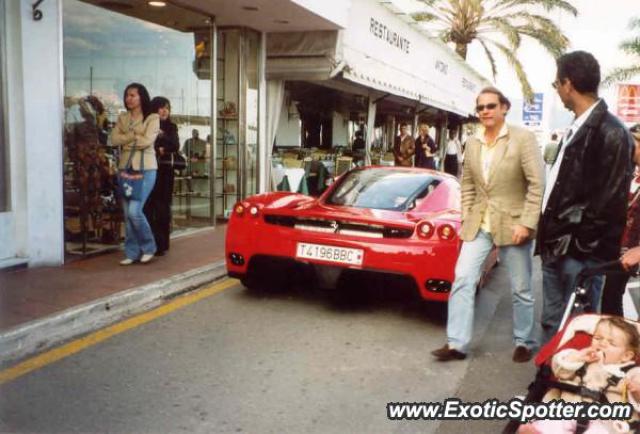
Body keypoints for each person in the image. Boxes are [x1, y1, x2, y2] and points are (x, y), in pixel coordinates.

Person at [431, 86, 544, 363]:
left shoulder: (523, 138)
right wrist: (466, 216)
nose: (485, 112)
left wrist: (527, 223)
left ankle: (524, 341)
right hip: (479, 224)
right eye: (480, 108)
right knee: (463, 279)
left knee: (520, 287)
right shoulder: (473, 141)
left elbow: (537, 183)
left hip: (513, 224)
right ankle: (456, 343)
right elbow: (467, 183)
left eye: (490, 106)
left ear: (504, 107)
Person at [537, 51, 635, 343]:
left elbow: (611, 201)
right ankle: (549, 376)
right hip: (556, 243)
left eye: (557, 84)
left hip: (577, 252)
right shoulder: (577, 126)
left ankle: (569, 384)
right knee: (553, 320)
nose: (557, 91)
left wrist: (580, 248)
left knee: (579, 327)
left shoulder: (612, 132)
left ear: (568, 84)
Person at [518, 317, 640, 434]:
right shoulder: (581, 358)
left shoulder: (631, 372)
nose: (602, 344)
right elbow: (559, 370)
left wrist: (636, 391)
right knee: (553, 422)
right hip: (568, 408)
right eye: (598, 338)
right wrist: (576, 358)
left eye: (611, 343)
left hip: (604, 419)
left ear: (626, 356)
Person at [110, 83, 160, 265]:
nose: (128, 99)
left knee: (135, 211)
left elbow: (147, 141)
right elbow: (113, 139)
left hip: (146, 169)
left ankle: (148, 247)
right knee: (127, 213)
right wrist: (133, 136)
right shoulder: (123, 117)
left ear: (142, 97)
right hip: (125, 169)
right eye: (127, 95)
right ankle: (131, 253)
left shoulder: (152, 117)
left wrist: (127, 138)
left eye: (132, 95)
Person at [601, 124, 640, 315]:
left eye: (632, 144)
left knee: (612, 298)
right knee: (611, 298)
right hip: (621, 249)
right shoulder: (632, 173)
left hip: (633, 251)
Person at [143, 97, 179, 257]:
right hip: (149, 170)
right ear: (154, 109)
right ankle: (149, 243)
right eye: (161, 108)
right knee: (149, 207)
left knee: (163, 207)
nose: (164, 111)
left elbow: (175, 145)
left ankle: (162, 244)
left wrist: (162, 137)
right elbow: (146, 144)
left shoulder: (171, 126)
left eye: (167, 108)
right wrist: (160, 146)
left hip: (165, 172)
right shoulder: (147, 124)